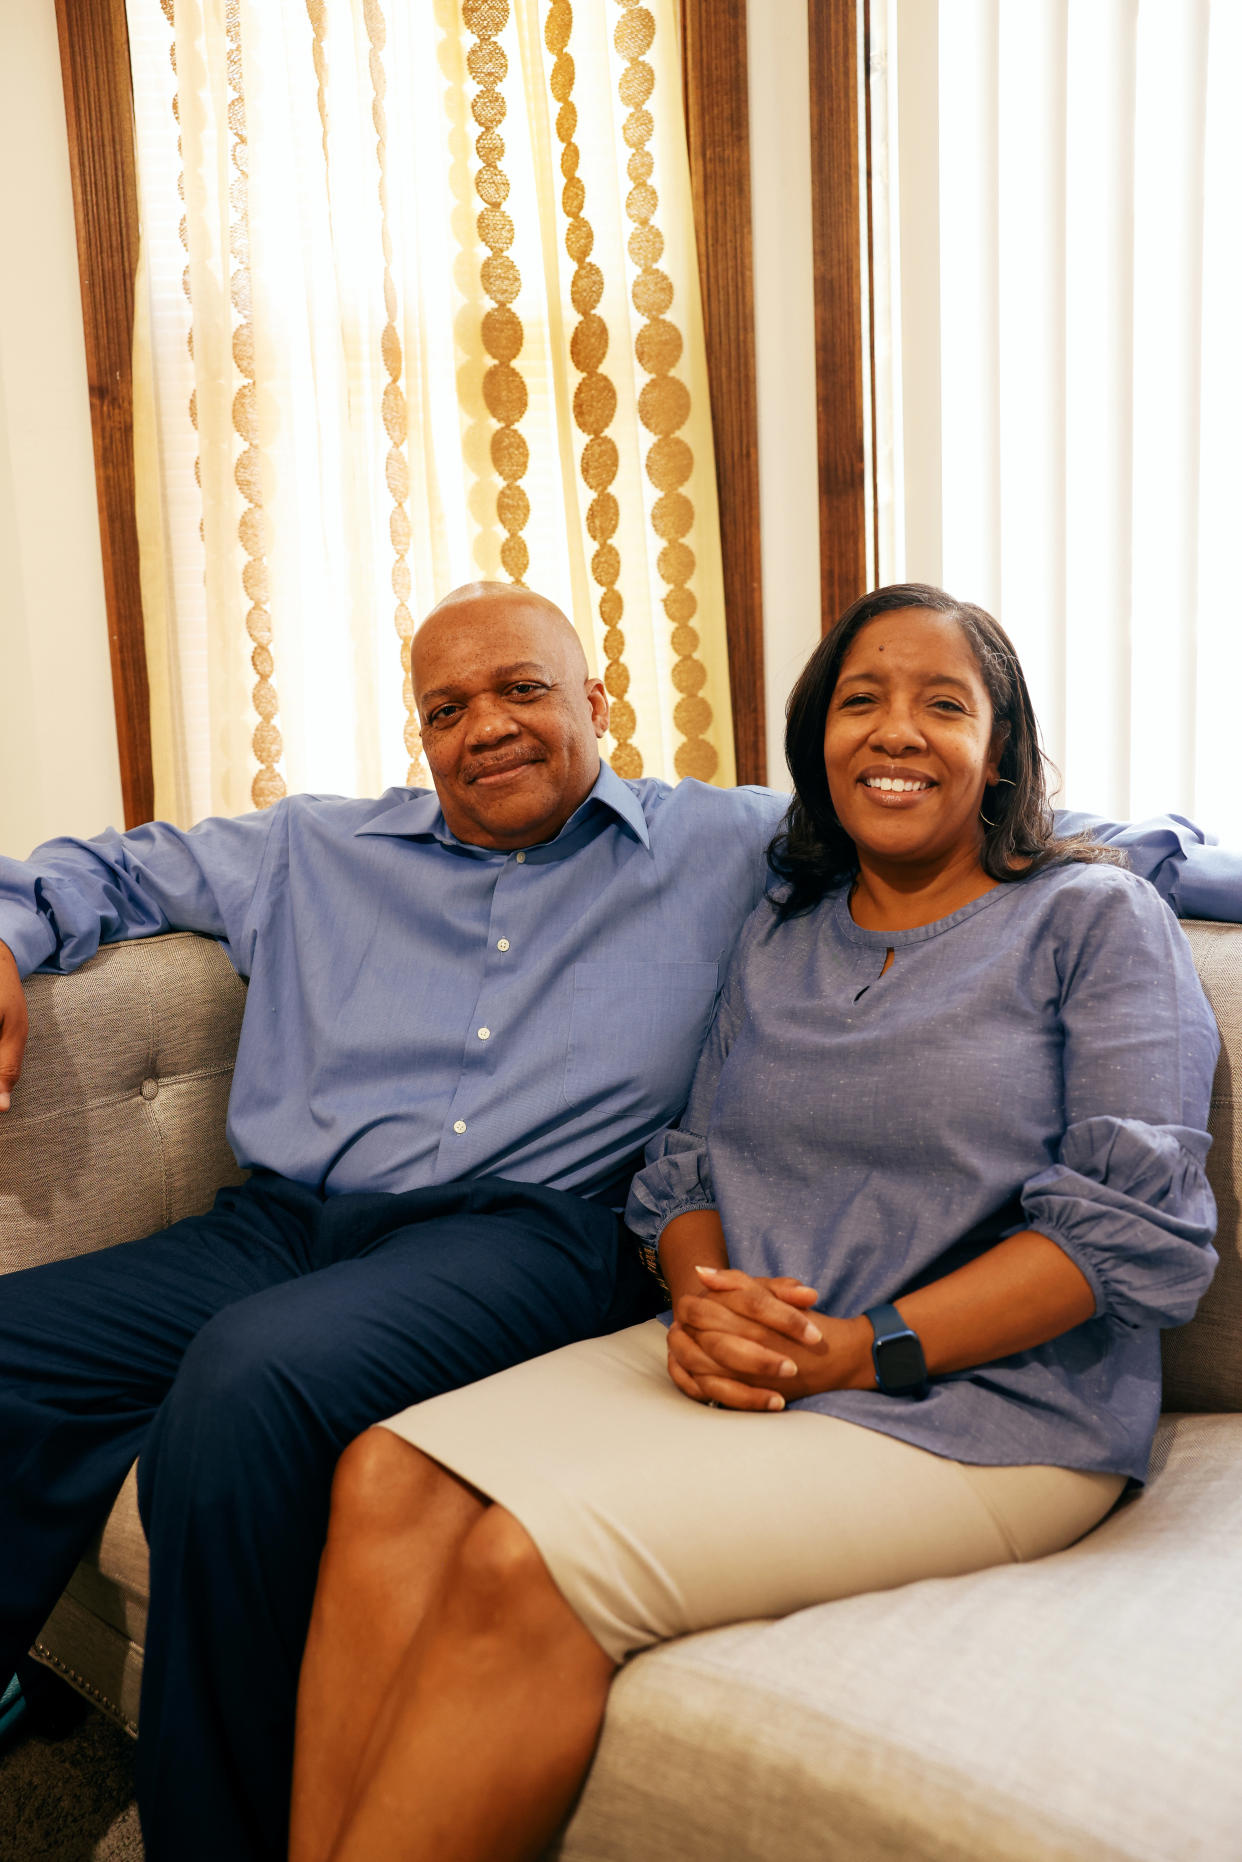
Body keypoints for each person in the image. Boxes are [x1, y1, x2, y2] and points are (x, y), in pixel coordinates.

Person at [0, 581, 1229, 1861]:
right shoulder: (755, 916)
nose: (487, 726)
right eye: (448, 707)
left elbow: (1046, 872)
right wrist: (10, 919)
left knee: (253, 1384)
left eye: (524, 689)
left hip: (539, 1237)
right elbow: (116, 867)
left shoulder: (762, 852)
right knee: (110, 1380)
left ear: (598, 701)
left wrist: (855, 1343)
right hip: (299, 1221)